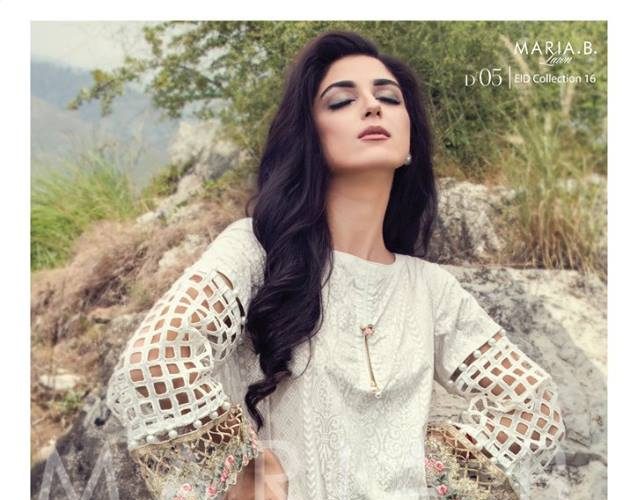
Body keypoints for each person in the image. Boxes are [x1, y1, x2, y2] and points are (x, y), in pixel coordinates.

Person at [105, 30, 566, 499]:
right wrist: (242, 466)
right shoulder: (256, 250)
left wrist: (430, 472)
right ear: (310, 135)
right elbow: (153, 364)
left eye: (389, 97)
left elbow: (533, 406)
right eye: (341, 101)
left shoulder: (430, 288)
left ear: (409, 141)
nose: (372, 106)